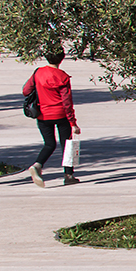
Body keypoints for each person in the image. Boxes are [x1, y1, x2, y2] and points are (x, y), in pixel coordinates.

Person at [21, 51, 82, 187]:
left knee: (49, 144)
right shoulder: (63, 77)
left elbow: (26, 91)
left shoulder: (38, 72)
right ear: (62, 59)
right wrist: (73, 123)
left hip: (43, 114)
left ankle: (37, 165)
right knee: (66, 145)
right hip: (61, 115)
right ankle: (68, 175)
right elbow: (67, 102)